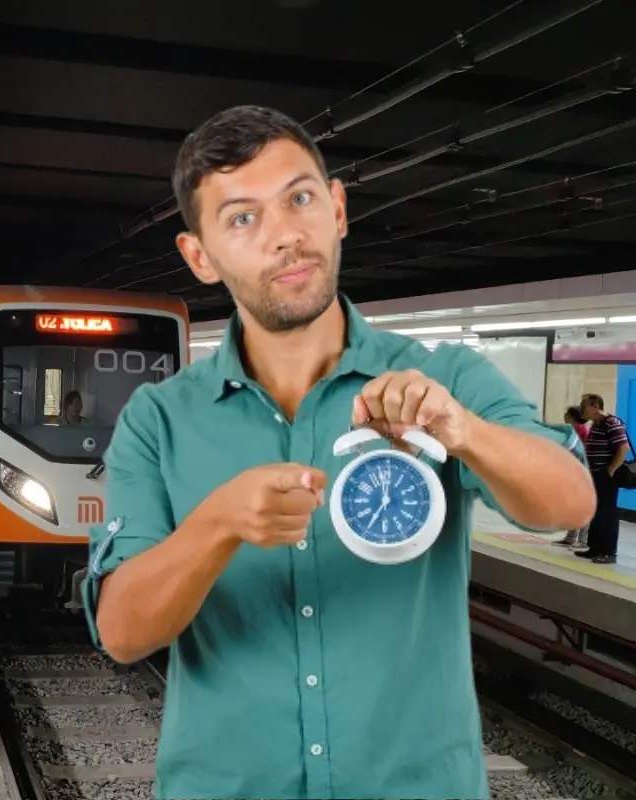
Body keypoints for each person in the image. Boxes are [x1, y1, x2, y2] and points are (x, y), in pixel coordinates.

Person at [84, 105, 595, 800]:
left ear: (339, 209)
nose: (285, 235)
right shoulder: (159, 419)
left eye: (299, 198)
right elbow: (121, 633)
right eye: (242, 218)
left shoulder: (446, 378)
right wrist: (218, 524)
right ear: (199, 257)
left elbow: (570, 501)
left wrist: (463, 432)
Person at [578, 393, 627, 564]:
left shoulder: (611, 422)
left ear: (594, 406)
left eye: (584, 405)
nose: (581, 409)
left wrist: (611, 469)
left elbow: (623, 446)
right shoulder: (597, 424)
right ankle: (595, 548)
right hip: (595, 473)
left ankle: (608, 552)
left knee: (607, 513)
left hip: (606, 475)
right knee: (597, 511)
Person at [556, 405, 593, 548]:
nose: (564, 416)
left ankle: (581, 540)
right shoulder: (581, 429)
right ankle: (572, 537)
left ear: (573, 417)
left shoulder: (577, 429)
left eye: (567, 414)